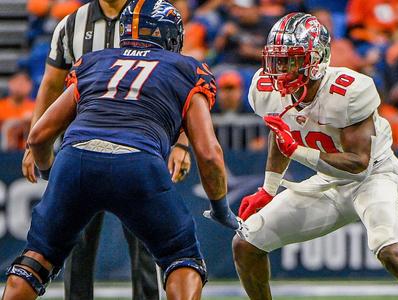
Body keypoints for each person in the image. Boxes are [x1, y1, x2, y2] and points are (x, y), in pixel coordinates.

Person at [2, 1, 241, 299]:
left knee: (37, 258)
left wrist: (54, 175)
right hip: (138, 163)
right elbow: (209, 153)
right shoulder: (187, 69)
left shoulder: (94, 61)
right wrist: (220, 208)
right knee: (181, 256)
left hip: (76, 158)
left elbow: (38, 136)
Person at [232, 13, 398, 300]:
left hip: (374, 176)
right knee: (245, 243)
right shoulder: (266, 89)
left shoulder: (349, 91)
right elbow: (280, 130)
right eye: (278, 60)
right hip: (327, 181)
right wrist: (269, 188)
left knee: (391, 252)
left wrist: (296, 151)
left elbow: (358, 164)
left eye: (291, 60)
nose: (280, 69)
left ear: (316, 61)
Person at [0, 72, 35, 151]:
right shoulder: (1, 105)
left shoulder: (35, 107)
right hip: (5, 152)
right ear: (10, 84)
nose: (20, 86)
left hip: (30, 152)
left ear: (30, 86)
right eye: (17, 82)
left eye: (24, 83)